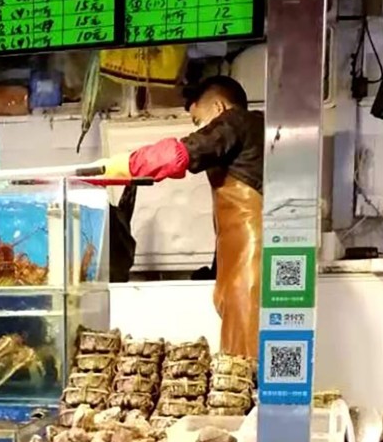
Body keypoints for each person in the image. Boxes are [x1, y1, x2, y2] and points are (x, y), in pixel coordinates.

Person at [101, 76, 264, 360]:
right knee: (238, 341)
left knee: (245, 356)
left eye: (198, 120)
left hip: (251, 255)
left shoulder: (237, 120)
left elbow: (180, 154)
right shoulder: (254, 130)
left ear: (219, 107)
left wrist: (120, 168)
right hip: (239, 255)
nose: (200, 128)